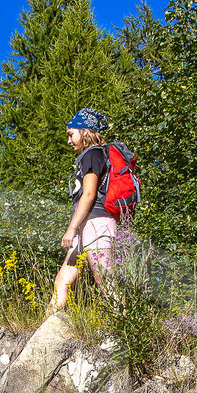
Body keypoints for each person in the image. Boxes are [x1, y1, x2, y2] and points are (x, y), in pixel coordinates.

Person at [52, 109, 120, 312]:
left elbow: (89, 194)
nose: (69, 141)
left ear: (84, 131)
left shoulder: (92, 154)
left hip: (97, 224)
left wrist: (71, 229)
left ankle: (121, 335)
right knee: (62, 279)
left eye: (70, 134)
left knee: (105, 283)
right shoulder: (92, 155)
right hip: (87, 226)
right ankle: (44, 331)